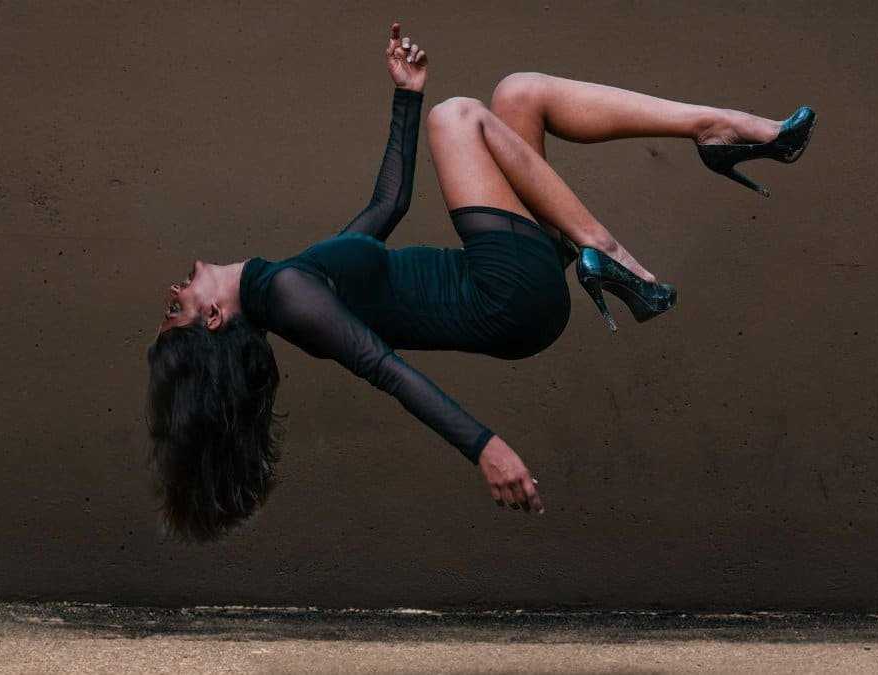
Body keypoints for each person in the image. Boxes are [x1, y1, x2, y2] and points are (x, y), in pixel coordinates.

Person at [146, 22, 815, 541]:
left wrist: (406, 97)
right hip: (507, 296)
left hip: (512, 281)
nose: (170, 296)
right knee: (458, 118)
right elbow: (384, 368)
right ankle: (607, 252)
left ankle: (716, 129)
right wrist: (486, 448)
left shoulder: (292, 282)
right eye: (175, 312)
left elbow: (386, 209)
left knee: (519, 93)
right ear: (212, 320)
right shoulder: (291, 297)